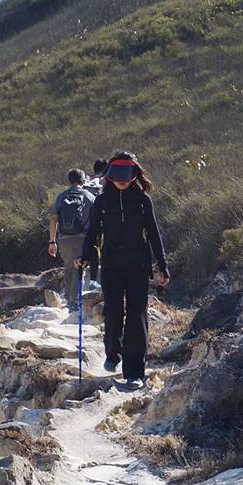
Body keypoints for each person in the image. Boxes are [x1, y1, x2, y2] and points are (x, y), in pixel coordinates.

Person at [76, 152, 170, 385]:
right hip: (111, 265)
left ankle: (135, 372)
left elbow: (154, 234)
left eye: (125, 175)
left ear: (134, 174)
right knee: (113, 312)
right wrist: (84, 256)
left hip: (139, 264)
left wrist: (163, 266)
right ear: (109, 174)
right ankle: (112, 353)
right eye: (117, 175)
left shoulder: (142, 200)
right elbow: (93, 232)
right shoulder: (102, 201)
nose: (121, 180)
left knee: (137, 316)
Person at [48, 168, 97, 311]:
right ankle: (75, 303)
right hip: (82, 237)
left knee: (69, 267)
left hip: (63, 238)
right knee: (79, 268)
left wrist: (52, 241)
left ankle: (70, 300)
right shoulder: (89, 196)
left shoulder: (61, 196)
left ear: (69, 180)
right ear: (83, 180)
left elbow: (53, 219)